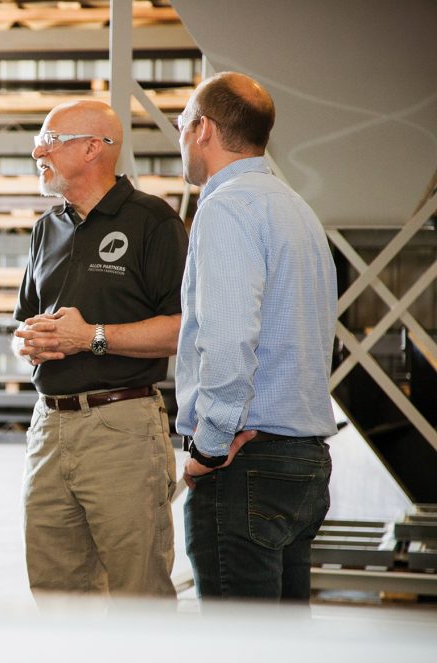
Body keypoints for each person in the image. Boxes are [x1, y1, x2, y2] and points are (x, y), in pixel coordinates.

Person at [13, 100, 187, 598]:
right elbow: (22, 320)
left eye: (49, 138)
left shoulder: (152, 222)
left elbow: (182, 329)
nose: (37, 150)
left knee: (137, 591)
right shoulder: (48, 228)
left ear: (93, 148)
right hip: (48, 426)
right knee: (55, 588)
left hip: (122, 428)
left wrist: (91, 336)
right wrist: (28, 341)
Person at [174, 72, 338, 601]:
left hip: (245, 463)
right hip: (303, 463)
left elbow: (227, 341)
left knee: (239, 657)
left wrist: (210, 444)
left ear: (203, 129)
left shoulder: (226, 208)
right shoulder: (297, 209)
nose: (179, 137)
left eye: (182, 124)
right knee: (280, 655)